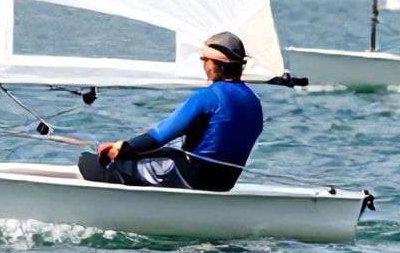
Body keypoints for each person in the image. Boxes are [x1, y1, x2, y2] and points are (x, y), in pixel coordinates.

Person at [77, 31, 263, 192]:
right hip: (224, 183)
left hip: (194, 177)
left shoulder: (208, 96)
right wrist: (126, 148)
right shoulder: (254, 102)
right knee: (161, 154)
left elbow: (159, 136)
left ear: (217, 63)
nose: (204, 65)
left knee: (90, 164)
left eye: (205, 59)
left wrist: (122, 149)